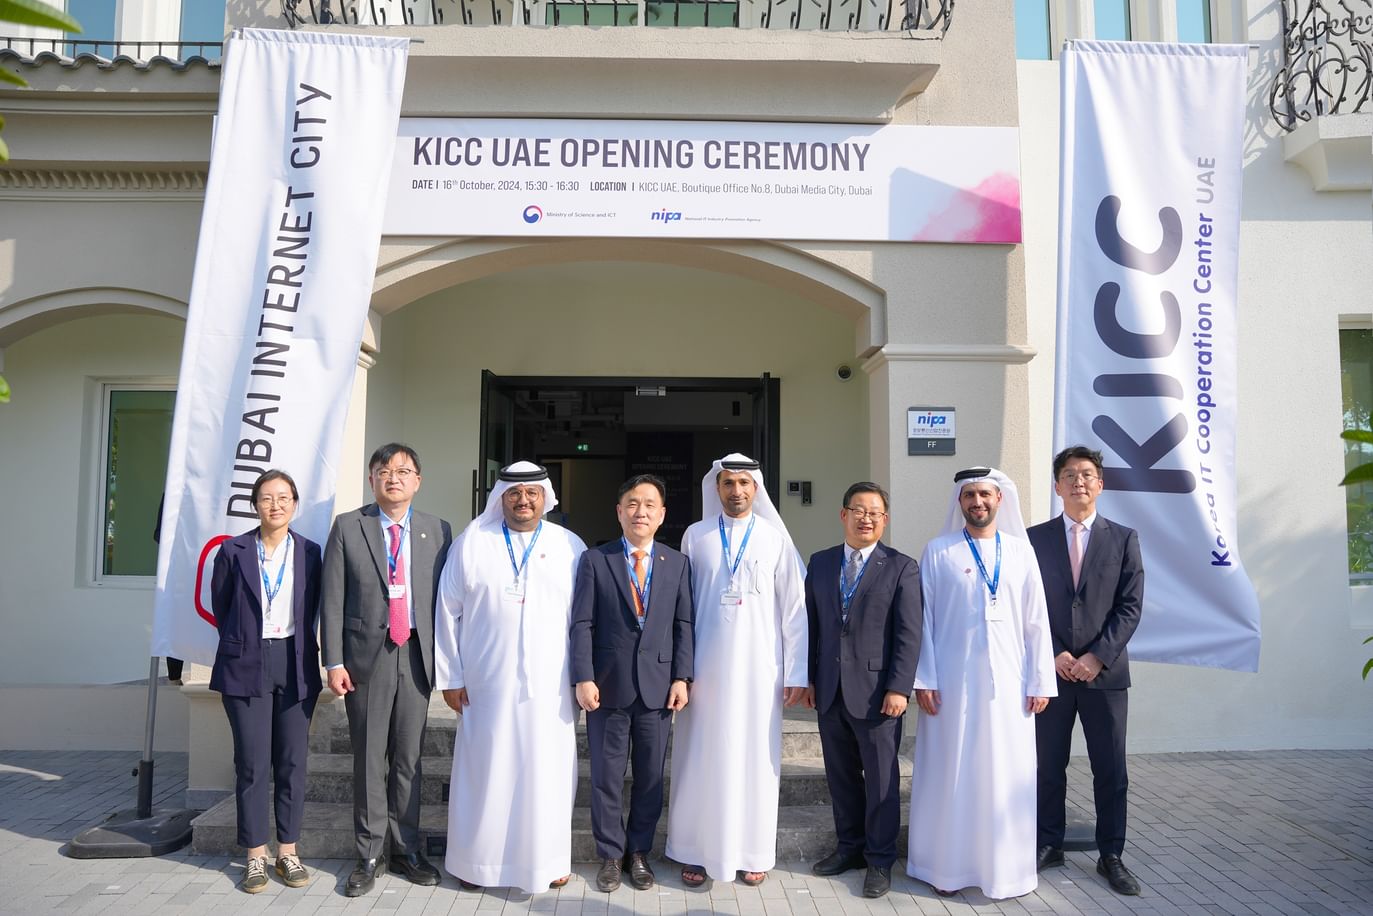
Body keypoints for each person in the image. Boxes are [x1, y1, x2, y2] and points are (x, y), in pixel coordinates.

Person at [435, 462, 587, 893]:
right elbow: (446, 611)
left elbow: (584, 620)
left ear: (546, 498)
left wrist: (583, 677)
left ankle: (548, 862)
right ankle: (475, 865)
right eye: (514, 493)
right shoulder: (472, 543)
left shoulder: (568, 545)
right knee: (486, 773)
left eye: (532, 493)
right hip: (486, 684)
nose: (523, 500)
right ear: (500, 498)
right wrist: (451, 676)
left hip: (552, 687)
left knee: (548, 773)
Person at [907, 467, 1056, 900]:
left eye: (985, 495)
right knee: (951, 773)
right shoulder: (939, 551)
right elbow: (923, 620)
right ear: (960, 502)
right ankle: (945, 869)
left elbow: (1036, 620)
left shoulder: (1021, 552)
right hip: (950, 687)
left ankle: (1006, 871)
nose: (978, 502)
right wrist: (925, 678)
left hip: (1010, 686)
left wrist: (1040, 680)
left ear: (999, 500)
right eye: (970, 495)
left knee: (1005, 774)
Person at [666, 453, 808, 888]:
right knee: (700, 758)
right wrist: (681, 671)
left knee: (754, 761)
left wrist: (796, 673)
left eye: (744, 483)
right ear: (717, 488)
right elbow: (682, 609)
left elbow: (795, 610)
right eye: (728, 483)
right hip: (704, 670)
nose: (736, 491)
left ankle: (752, 851)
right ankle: (695, 850)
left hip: (760, 671)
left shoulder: (774, 539)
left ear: (756, 488)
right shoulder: (696, 535)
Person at [320, 444, 453, 897]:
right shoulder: (349, 526)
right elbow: (332, 598)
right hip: (366, 658)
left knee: (409, 758)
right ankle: (369, 853)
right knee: (369, 757)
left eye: (403, 471)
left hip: (416, 654)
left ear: (418, 480)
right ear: (372, 479)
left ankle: (407, 849)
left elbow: (447, 600)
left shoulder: (438, 530)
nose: (393, 478)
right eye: (384, 471)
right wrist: (333, 660)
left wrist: (449, 663)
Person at [1027, 446, 1144, 896]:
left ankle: (1111, 853)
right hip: (1050, 674)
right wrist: (1054, 652)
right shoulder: (1033, 540)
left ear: (1100, 484)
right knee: (1047, 765)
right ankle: (1048, 843)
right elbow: (1027, 605)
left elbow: (1130, 606)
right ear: (1057, 486)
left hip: (1104, 677)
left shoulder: (1124, 539)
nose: (1079, 481)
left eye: (1087, 474)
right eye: (1070, 475)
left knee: (1110, 769)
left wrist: (1097, 656)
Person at [570, 474, 695, 893]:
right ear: (619, 512)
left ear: (662, 514)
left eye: (649, 505)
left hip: (658, 689)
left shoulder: (677, 563)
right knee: (605, 776)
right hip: (607, 687)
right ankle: (610, 854)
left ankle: (638, 852)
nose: (641, 512)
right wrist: (583, 676)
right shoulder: (596, 560)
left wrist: (682, 677)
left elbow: (683, 624)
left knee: (650, 777)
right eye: (633, 504)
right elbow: (582, 623)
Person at [804, 482, 922, 899]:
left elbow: (909, 634)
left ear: (884, 520)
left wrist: (899, 688)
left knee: (881, 779)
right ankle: (849, 848)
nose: (866, 518)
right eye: (858, 510)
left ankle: (880, 859)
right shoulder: (820, 563)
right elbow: (811, 627)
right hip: (830, 690)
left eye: (874, 512)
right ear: (844, 515)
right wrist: (809, 679)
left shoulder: (901, 567)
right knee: (841, 777)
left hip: (878, 695)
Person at [209, 470, 323, 894]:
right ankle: (255, 855)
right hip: (246, 662)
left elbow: (315, 606)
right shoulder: (233, 551)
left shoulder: (310, 552)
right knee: (252, 763)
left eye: (283, 497)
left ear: (295, 504)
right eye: (267, 498)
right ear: (255, 504)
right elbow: (222, 606)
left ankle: (287, 851)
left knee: (292, 762)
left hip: (294, 662)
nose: (275, 505)